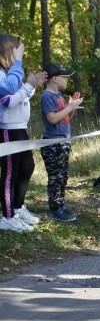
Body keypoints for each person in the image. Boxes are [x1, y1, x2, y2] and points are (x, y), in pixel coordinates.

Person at [0, 34, 47, 233]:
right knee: (10, 173)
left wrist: (31, 85)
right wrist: (27, 85)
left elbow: (21, 95)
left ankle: (17, 208)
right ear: (8, 51)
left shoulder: (11, 73)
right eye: (19, 51)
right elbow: (9, 101)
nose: (22, 55)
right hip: (7, 130)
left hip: (20, 127)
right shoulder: (2, 75)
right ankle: (8, 217)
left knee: (27, 166)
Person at [40, 62, 84, 222]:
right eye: (65, 77)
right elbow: (52, 119)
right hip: (52, 144)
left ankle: (61, 205)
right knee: (55, 177)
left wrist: (70, 108)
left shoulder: (59, 96)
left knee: (63, 176)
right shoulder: (47, 96)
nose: (67, 81)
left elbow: (65, 119)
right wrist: (69, 106)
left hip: (63, 142)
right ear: (55, 79)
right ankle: (55, 208)